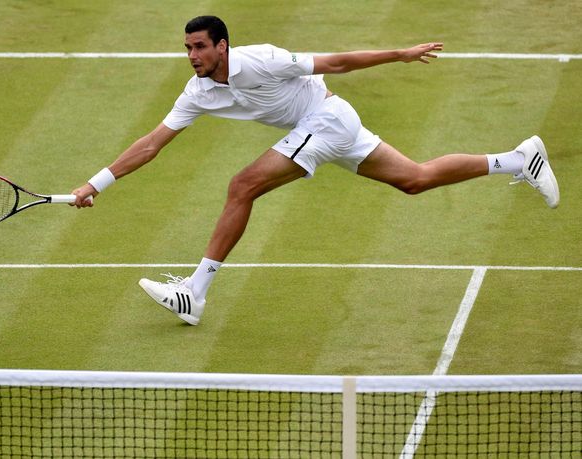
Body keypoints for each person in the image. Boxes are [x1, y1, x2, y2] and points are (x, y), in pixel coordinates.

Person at [72, 15, 559, 326]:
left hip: (325, 117)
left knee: (242, 185)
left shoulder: (261, 60)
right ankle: (518, 159)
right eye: (188, 49)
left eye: (200, 46)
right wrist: (96, 183)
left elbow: (338, 62)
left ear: (223, 46)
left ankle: (194, 293)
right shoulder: (197, 91)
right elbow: (153, 142)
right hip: (331, 124)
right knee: (415, 179)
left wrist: (400, 53)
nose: (193, 56)